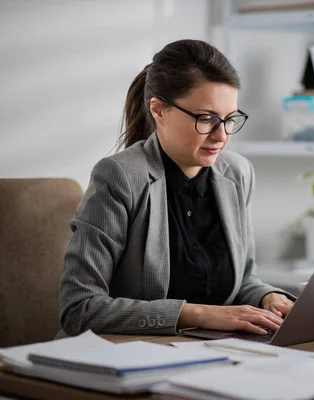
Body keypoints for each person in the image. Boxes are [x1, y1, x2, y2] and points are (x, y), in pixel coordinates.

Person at [58, 39, 294, 337]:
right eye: (206, 119)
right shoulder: (120, 176)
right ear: (158, 110)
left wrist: (266, 297)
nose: (221, 135)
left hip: (216, 352)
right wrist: (198, 314)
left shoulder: (237, 173)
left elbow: (243, 280)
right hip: (129, 354)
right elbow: (79, 308)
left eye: (230, 119)